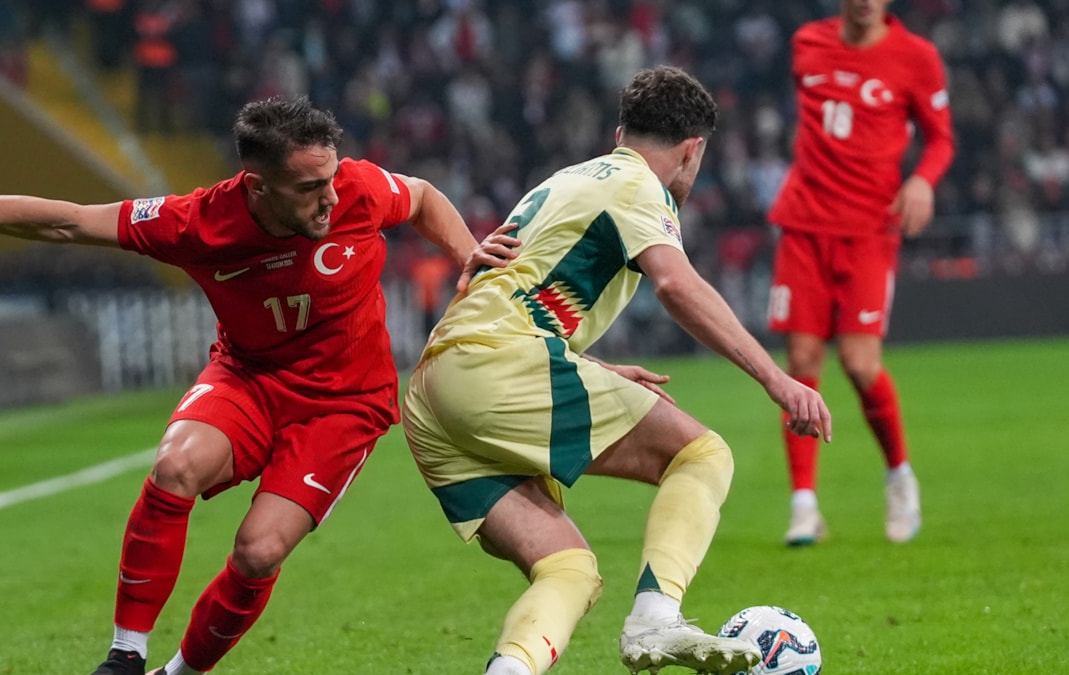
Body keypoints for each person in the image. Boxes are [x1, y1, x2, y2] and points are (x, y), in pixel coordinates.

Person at [0, 96, 511, 675]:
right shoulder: (196, 221)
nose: (331, 197)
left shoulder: (357, 189)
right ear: (257, 185)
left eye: (331, 177)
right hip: (249, 379)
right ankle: (125, 655)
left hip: (344, 403)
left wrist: (467, 253)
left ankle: (180, 671)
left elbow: (421, 196)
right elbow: (69, 220)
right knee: (174, 466)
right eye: (311, 186)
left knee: (258, 552)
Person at [401, 66, 832, 675]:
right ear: (693, 151)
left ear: (620, 133)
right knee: (701, 455)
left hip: (434, 390)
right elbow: (676, 285)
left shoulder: (567, 179)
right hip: (500, 366)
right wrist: (776, 379)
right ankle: (657, 617)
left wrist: (587, 366)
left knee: (567, 569)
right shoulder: (639, 187)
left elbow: (516, 297)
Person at [767, 0, 955, 546]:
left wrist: (921, 181)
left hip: (871, 229)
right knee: (802, 362)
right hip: (804, 224)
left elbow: (941, 137)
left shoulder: (917, 57)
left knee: (859, 363)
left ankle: (899, 476)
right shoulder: (807, 44)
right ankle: (804, 506)